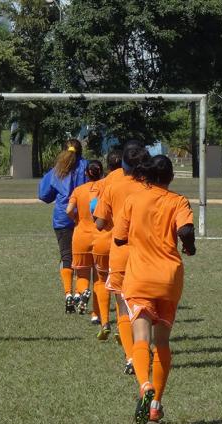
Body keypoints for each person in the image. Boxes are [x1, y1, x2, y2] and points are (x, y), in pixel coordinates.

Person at [112, 155, 196, 424]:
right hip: (169, 279)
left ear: (146, 176)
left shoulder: (134, 199)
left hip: (140, 277)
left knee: (141, 339)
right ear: (170, 177)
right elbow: (185, 229)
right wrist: (190, 247)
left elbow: (119, 237)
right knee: (162, 342)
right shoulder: (178, 201)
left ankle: (145, 385)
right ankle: (156, 406)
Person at [94, 140, 150, 374]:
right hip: (147, 252)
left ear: (123, 165)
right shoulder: (150, 185)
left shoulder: (112, 186)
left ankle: (131, 357)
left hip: (120, 251)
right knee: (146, 306)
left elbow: (99, 223)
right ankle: (145, 349)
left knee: (123, 306)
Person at [38, 139, 89, 313]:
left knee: (66, 256)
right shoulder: (87, 166)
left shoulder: (57, 169)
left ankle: (68, 294)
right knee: (83, 258)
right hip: (84, 218)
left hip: (62, 219)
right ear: (81, 152)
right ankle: (81, 293)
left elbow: (44, 195)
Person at [90, 150, 124, 338]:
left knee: (102, 281)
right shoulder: (135, 183)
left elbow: (93, 207)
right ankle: (123, 325)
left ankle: (104, 322)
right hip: (125, 243)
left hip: (103, 239)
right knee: (123, 285)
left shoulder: (102, 184)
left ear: (108, 165)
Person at [65, 160, 104, 316]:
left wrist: (76, 218)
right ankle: (96, 314)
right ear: (101, 173)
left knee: (81, 274)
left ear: (86, 174)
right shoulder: (106, 188)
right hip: (100, 235)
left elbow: (68, 210)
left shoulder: (78, 190)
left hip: (81, 236)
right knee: (99, 278)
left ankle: (84, 291)